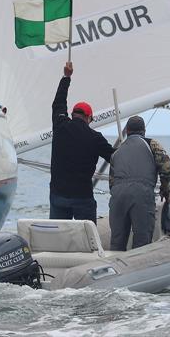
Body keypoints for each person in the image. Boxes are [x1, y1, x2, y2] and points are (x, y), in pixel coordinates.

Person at [49, 62, 114, 222]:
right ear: (89, 118)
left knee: (59, 236)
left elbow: (58, 103)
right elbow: (115, 158)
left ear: (72, 114)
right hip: (82, 197)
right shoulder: (95, 137)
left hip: (58, 195)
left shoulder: (60, 125)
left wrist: (66, 77)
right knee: (87, 240)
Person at [108, 116, 170, 251]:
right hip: (141, 193)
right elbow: (165, 166)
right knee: (142, 240)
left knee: (117, 241)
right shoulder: (151, 144)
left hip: (118, 195)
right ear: (144, 131)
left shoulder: (118, 151)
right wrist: (165, 189)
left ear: (128, 131)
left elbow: (112, 180)